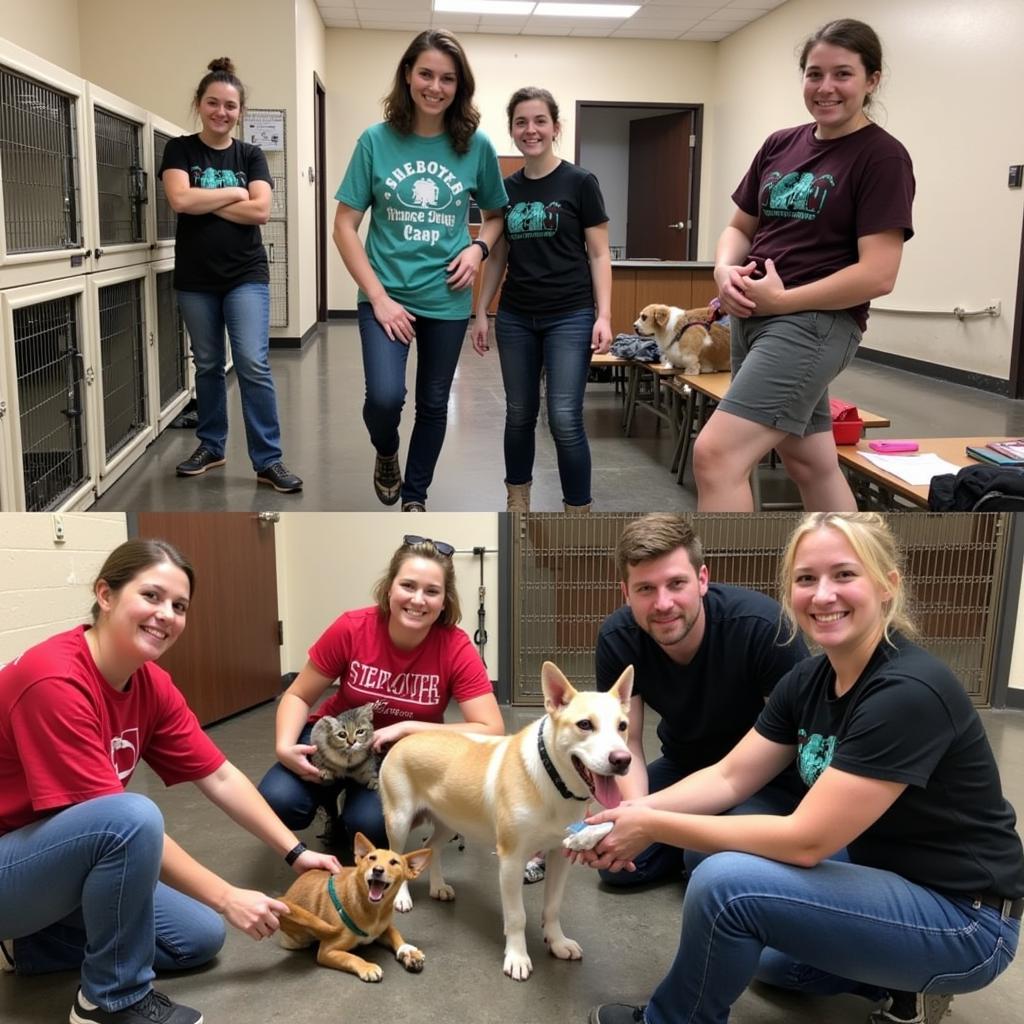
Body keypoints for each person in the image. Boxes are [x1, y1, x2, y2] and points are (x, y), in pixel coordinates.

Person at [578, 512, 1024, 1024]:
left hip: (966, 921)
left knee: (725, 885)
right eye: (806, 578)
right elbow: (729, 777)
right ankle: (903, 987)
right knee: (766, 960)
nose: (823, 594)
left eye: (844, 575)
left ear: (886, 586)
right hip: (886, 878)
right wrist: (627, 815)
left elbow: (807, 840)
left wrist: (650, 824)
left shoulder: (907, 692)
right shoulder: (811, 679)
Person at [0, 539, 340, 1024]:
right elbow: (113, 826)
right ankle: (108, 1002)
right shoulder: (54, 681)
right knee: (131, 818)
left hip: (53, 858)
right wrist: (228, 896)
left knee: (198, 937)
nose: (167, 615)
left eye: (179, 606)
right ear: (105, 594)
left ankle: (40, 941)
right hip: (10, 862)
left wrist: (296, 852)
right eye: (152, 596)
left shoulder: (148, 682)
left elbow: (219, 775)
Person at [693, 19, 915, 512]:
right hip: (756, 318)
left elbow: (879, 274)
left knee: (716, 456)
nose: (826, 88)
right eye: (815, 74)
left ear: (872, 80)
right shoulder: (780, 144)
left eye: (843, 74)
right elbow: (740, 227)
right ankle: (858, 571)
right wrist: (724, 270)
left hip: (813, 326)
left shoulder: (882, 157)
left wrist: (783, 300)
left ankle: (729, 589)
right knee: (809, 460)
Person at [333, 30, 507, 512]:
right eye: (426, 74)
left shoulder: (476, 146)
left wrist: (477, 250)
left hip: (447, 299)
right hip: (385, 296)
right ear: (408, 75)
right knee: (386, 399)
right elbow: (344, 226)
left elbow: (496, 216)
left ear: (460, 86)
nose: (436, 86)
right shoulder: (376, 141)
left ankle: (415, 497)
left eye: (448, 78)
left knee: (433, 405)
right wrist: (379, 297)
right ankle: (386, 450)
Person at [594, 512, 807, 888]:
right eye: (645, 589)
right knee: (617, 863)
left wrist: (644, 818)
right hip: (686, 764)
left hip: (767, 776)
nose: (663, 603)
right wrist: (633, 815)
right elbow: (627, 741)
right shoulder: (618, 639)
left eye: (676, 584)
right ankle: (697, 834)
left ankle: (696, 840)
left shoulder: (763, 628)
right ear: (626, 593)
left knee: (706, 860)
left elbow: (780, 751)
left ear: (702, 580)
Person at [258, 535, 504, 849]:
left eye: (432, 591)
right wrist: (283, 747)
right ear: (389, 588)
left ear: (444, 601)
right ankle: (329, 803)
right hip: (334, 739)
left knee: (368, 827)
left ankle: (357, 809)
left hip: (394, 756)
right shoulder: (352, 627)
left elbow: (491, 730)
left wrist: (407, 728)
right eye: (408, 586)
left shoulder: (455, 647)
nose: (418, 600)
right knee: (278, 800)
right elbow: (298, 695)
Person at [160, 58, 302, 494]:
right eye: (213, 103)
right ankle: (212, 446)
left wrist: (207, 198)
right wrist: (235, 192)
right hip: (196, 278)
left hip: (246, 275)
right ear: (199, 105)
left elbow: (261, 211)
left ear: (241, 111)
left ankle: (268, 460)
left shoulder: (250, 154)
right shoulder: (180, 149)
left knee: (253, 364)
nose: (222, 112)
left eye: (231, 106)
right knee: (206, 364)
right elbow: (179, 201)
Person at [470, 86, 612, 513]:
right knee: (519, 414)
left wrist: (603, 314)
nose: (530, 130)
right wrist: (482, 311)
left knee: (565, 418)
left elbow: (600, 253)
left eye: (539, 121)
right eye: (521, 122)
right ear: (511, 129)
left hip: (570, 314)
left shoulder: (580, 182)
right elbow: (497, 257)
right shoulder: (503, 189)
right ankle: (518, 503)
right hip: (515, 317)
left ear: (555, 128)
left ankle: (577, 513)